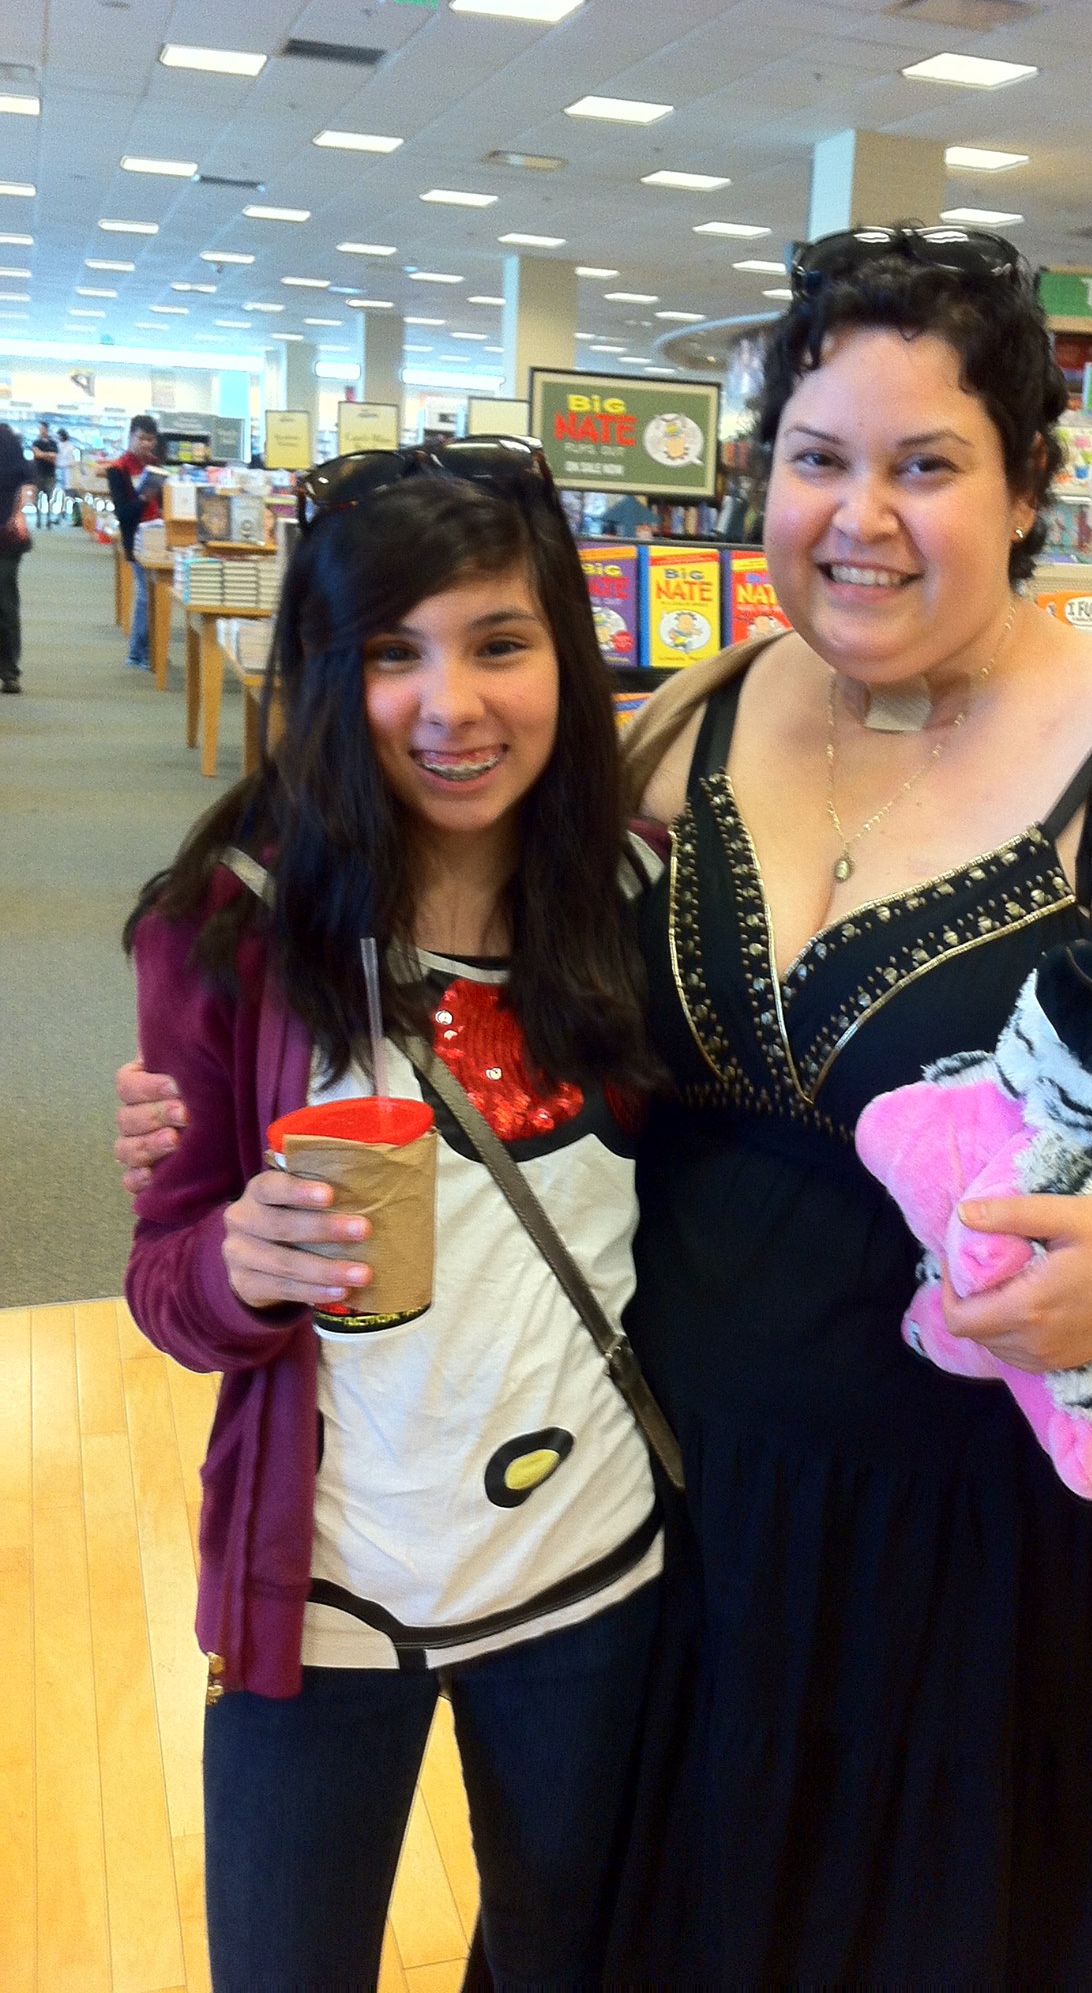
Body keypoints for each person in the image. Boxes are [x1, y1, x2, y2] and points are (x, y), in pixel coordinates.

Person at [120, 228, 1092, 1986]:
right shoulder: (702, 712)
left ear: (1026, 485)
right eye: (817, 458)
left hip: (983, 1546)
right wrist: (215, 1078)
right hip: (667, 1520)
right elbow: (458, 902)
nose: (859, 516)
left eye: (925, 465)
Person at [120, 443, 667, 1989]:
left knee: (567, 1958)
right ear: (322, 670)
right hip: (325, 1596)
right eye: (389, 654)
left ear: (566, 654)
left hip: (592, 1573)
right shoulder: (225, 927)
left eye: (499, 643)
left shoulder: (636, 900)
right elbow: (165, 1278)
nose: (452, 705)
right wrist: (231, 1265)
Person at [107, 413, 162, 672]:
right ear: (131, 436)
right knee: (145, 596)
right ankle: (138, 651)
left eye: (151, 439)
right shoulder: (118, 469)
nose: (146, 444)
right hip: (136, 539)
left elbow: (162, 503)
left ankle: (149, 650)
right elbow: (122, 514)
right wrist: (142, 499)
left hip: (159, 536)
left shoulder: (156, 466)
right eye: (142, 438)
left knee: (155, 596)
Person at [0, 420, 34, 693]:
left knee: (5, 600)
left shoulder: (7, 440)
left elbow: (27, 480)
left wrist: (20, 513)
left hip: (5, 535)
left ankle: (9, 671)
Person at [30, 417, 58, 527]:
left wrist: (42, 454)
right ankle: (38, 520)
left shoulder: (53, 443)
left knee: (49, 497)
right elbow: (37, 454)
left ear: (47, 430)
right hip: (38, 473)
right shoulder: (36, 442)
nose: (41, 431)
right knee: (37, 498)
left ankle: (48, 520)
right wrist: (48, 455)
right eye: (40, 429)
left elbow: (54, 457)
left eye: (43, 429)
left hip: (50, 474)